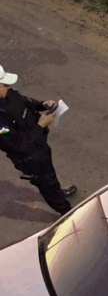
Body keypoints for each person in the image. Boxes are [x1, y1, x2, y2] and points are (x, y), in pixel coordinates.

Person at [0, 65, 76, 215]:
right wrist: (40, 125)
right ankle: (67, 212)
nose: (9, 87)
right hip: (29, 158)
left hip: (39, 145)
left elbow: (25, 102)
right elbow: (17, 145)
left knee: (50, 177)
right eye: (4, 85)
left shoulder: (8, 94)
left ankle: (58, 192)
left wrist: (42, 104)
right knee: (46, 184)